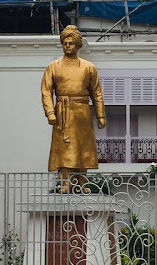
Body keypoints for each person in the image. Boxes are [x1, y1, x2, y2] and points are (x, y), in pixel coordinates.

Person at [41, 25, 106, 193]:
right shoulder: (53, 67)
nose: (67, 46)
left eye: (70, 43)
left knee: (83, 148)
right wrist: (50, 112)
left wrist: (100, 116)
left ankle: (82, 182)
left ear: (77, 45)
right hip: (62, 111)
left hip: (82, 111)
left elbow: (96, 92)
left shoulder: (88, 67)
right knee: (63, 148)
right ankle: (64, 183)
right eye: (65, 43)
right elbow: (46, 90)